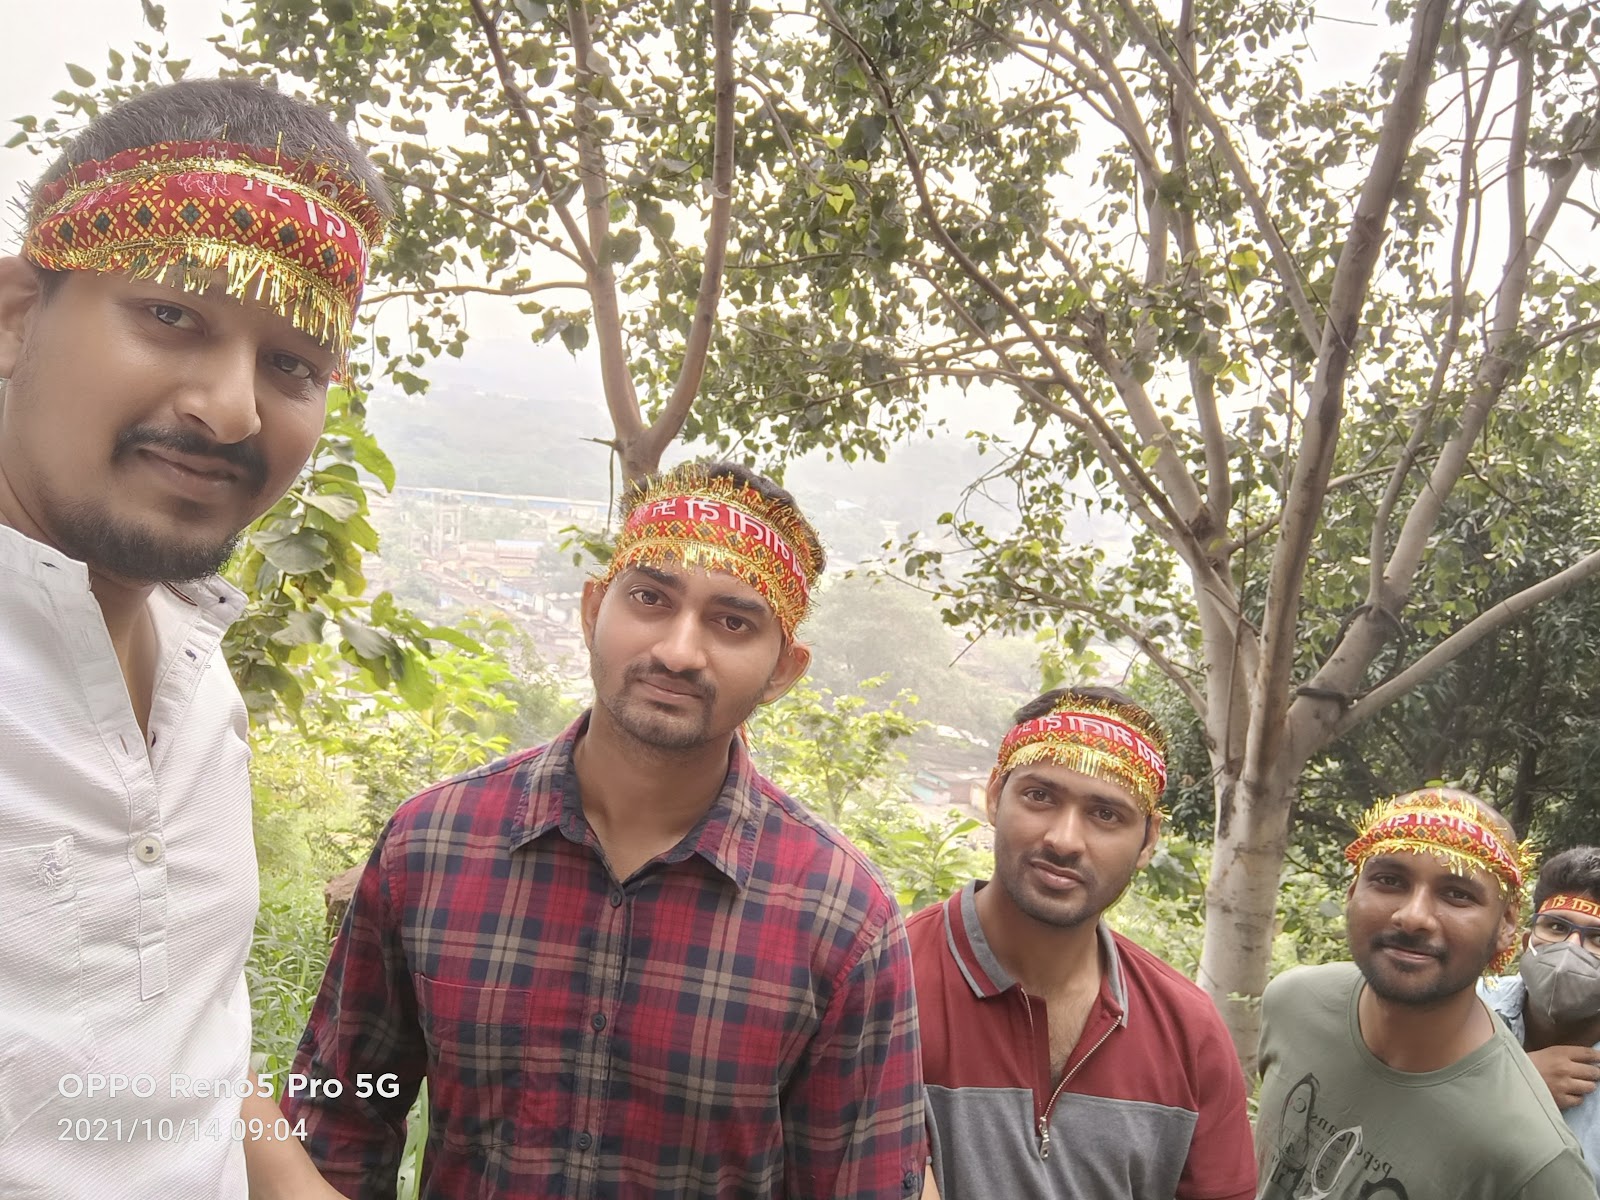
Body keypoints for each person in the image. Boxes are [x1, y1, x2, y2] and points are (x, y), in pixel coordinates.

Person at [286, 460, 928, 1199]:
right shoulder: (433, 845)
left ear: (784, 669)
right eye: (651, 598)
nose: (679, 651)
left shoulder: (840, 917)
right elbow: (339, 1115)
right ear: (595, 608)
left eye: (732, 622)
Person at [0, 78, 390, 1197]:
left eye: (294, 365)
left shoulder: (199, 676)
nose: (232, 409)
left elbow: (192, 1041)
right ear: (16, 317)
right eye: (173, 314)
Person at [907, 686, 1256, 1200]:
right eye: (1040, 796)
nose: (1064, 840)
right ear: (995, 796)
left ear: (1148, 840)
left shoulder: (1190, 1031)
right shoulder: (888, 981)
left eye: (1106, 814)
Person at [1255, 787, 1597, 1199]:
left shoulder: (1538, 1161)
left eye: (1457, 894)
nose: (1413, 916)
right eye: (1389, 880)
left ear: (1506, 925)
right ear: (1352, 891)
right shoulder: (1292, 1003)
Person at [1480, 846, 1600, 1188]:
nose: (1571, 948)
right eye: (1556, 927)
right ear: (1526, 941)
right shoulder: (1467, 1005)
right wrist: (1514, 1082)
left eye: (1598, 938)